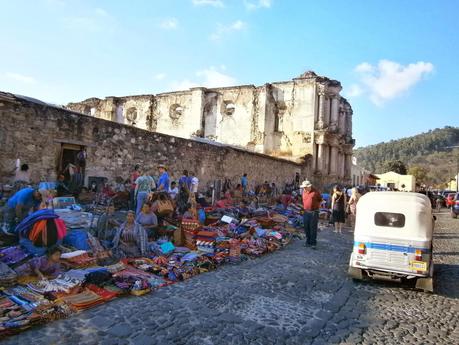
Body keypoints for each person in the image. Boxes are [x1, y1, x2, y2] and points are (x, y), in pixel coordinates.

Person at [301, 180, 322, 249]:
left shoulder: (316, 192)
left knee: (313, 228)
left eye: (305, 187)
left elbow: (320, 200)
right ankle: (308, 241)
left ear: (309, 186)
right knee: (306, 227)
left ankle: (313, 243)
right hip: (306, 212)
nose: (304, 188)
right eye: (303, 187)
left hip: (314, 212)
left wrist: (317, 208)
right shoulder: (304, 192)